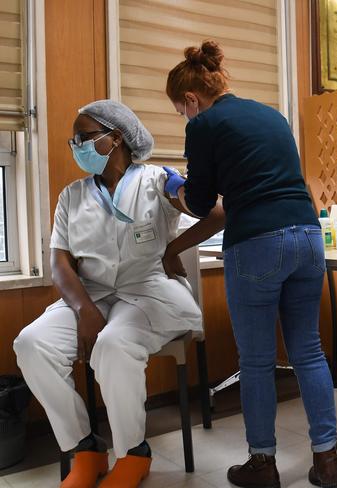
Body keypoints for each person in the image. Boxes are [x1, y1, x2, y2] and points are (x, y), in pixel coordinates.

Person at [13, 100, 224, 488]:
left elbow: (215, 212)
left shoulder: (157, 180)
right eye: (73, 140)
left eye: (85, 137)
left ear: (116, 139)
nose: (76, 145)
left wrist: (172, 250)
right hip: (89, 294)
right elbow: (60, 262)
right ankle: (85, 449)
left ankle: (132, 453)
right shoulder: (71, 196)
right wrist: (83, 308)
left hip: (148, 292)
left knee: (112, 345)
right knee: (31, 344)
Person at [163, 40, 337, 488]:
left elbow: (204, 204)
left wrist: (174, 187)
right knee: (309, 351)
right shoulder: (271, 115)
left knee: (258, 361)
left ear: (191, 99)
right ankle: (327, 462)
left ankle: (263, 464)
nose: (184, 118)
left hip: (257, 246)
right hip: (307, 236)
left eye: (181, 110)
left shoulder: (204, 125)